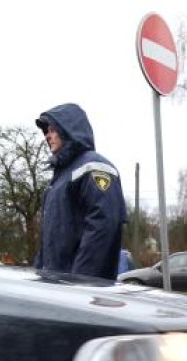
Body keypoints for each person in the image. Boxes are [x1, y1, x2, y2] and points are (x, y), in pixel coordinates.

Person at [34, 104, 127, 279]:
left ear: (68, 129)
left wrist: (80, 282)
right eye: (46, 131)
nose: (47, 136)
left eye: (53, 129)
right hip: (55, 287)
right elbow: (50, 239)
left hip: (80, 292)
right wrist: (40, 273)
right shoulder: (58, 179)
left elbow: (103, 226)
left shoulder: (95, 168)